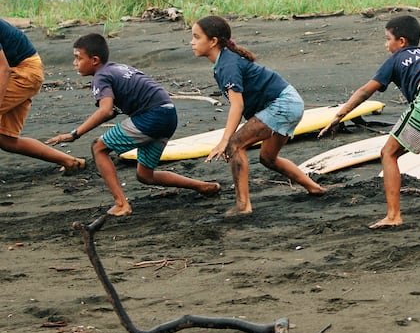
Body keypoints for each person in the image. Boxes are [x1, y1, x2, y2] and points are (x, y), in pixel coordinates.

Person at [46, 33, 220, 215]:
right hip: (168, 115)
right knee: (145, 175)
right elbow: (113, 110)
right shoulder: (117, 68)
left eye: (78, 58)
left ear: (95, 60)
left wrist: (75, 134)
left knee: (99, 148)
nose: (74, 63)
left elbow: (105, 111)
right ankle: (202, 186)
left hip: (151, 117)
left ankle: (121, 204)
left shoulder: (101, 77)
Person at [319, 15, 420, 229]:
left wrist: (339, 116)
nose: (386, 44)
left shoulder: (396, 58)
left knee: (388, 153)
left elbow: (365, 91)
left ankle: (393, 216)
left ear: (402, 41)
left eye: (388, 39)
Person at [190, 15, 326, 215]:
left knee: (234, 146)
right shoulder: (224, 61)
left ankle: (243, 206)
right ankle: (314, 188)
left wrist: (225, 140)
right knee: (268, 158)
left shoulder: (227, 65)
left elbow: (237, 106)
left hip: (282, 104)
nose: (191, 42)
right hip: (289, 103)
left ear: (213, 41)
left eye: (196, 37)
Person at [1, 18, 87, 171]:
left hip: (23, 72)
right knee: (6, 139)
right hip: (19, 69)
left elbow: (4, 69)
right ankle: (71, 162)